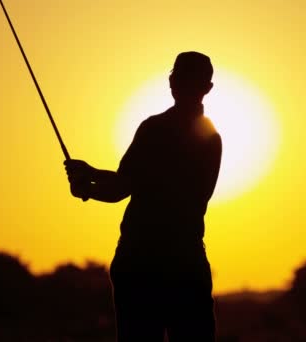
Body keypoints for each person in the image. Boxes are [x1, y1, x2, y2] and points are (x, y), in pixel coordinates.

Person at [64, 51, 222, 341]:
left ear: (205, 88)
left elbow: (124, 187)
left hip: (146, 262)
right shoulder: (205, 137)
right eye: (175, 75)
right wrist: (91, 180)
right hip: (180, 263)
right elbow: (129, 185)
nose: (175, 81)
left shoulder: (157, 129)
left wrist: (90, 181)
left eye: (181, 76)